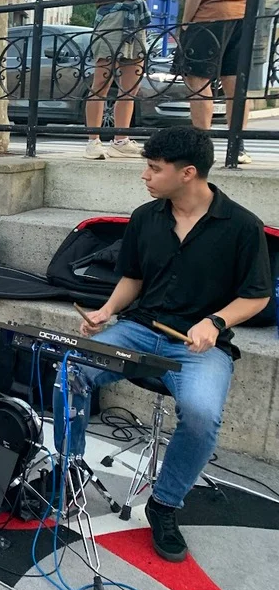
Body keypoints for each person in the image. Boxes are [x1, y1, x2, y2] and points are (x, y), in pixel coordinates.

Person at [57, 126, 270, 563]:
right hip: (138, 329)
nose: (145, 176)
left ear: (187, 173)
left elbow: (257, 296)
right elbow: (132, 278)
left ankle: (165, 503)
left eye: (154, 168)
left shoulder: (243, 226)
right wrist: (106, 311)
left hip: (198, 346)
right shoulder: (145, 217)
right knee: (71, 371)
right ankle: (69, 469)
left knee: (201, 414)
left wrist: (216, 321)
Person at [180, 0, 272, 164]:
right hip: (243, 15)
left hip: (209, 16)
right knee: (235, 83)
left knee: (198, 81)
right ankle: (237, 146)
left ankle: (202, 147)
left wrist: (186, 21)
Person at [83, 0, 155, 160]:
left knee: (131, 85)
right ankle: (93, 140)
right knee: (101, 82)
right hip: (112, 19)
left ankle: (121, 139)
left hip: (135, 18)